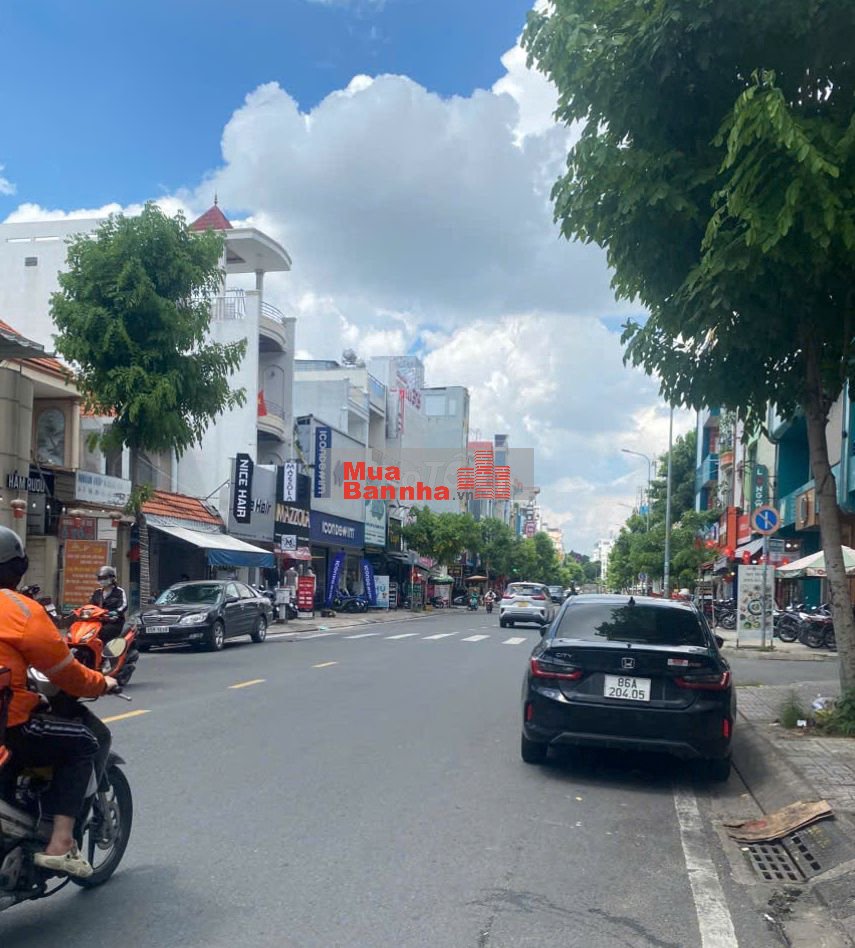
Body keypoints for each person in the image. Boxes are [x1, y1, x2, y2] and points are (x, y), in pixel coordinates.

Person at [0, 526, 118, 879]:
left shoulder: (111, 598)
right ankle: (61, 843)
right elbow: (67, 673)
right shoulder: (20, 609)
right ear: (19, 568)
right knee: (84, 742)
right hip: (10, 727)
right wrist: (102, 682)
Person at [89, 565, 127, 644]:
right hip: (98, 621)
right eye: (100, 578)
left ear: (112, 578)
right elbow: (90, 605)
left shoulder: (119, 591)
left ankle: (105, 649)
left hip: (114, 622)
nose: (102, 580)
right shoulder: (97, 592)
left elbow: (124, 605)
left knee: (103, 631)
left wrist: (115, 612)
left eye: (104, 578)